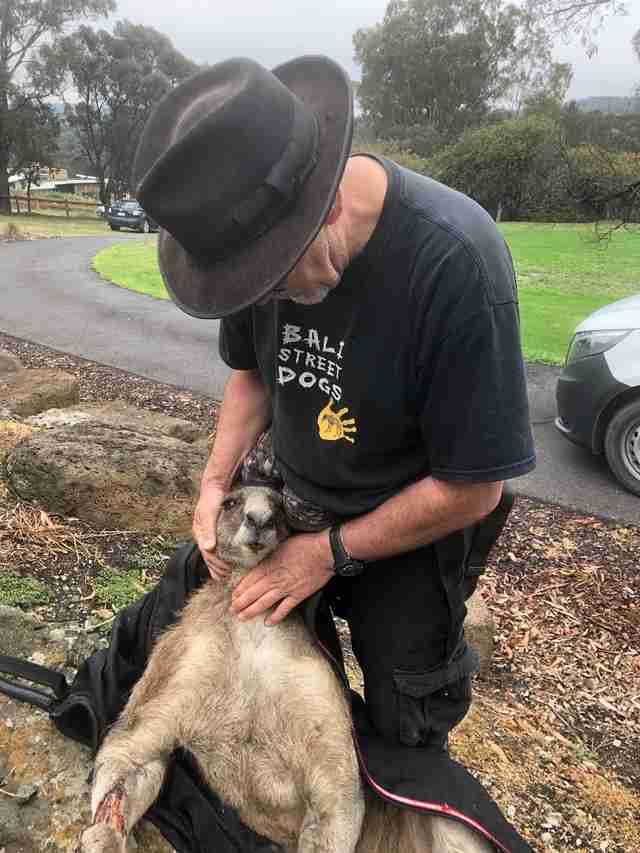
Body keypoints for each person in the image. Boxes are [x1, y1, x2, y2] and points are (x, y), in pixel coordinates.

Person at [132, 54, 536, 850]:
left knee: (404, 716)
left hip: (413, 518)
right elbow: (250, 377)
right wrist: (215, 485)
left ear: (322, 208)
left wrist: (326, 556)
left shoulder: (455, 262)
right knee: (214, 639)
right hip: (294, 493)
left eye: (279, 278)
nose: (271, 298)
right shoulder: (248, 246)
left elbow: (473, 488)